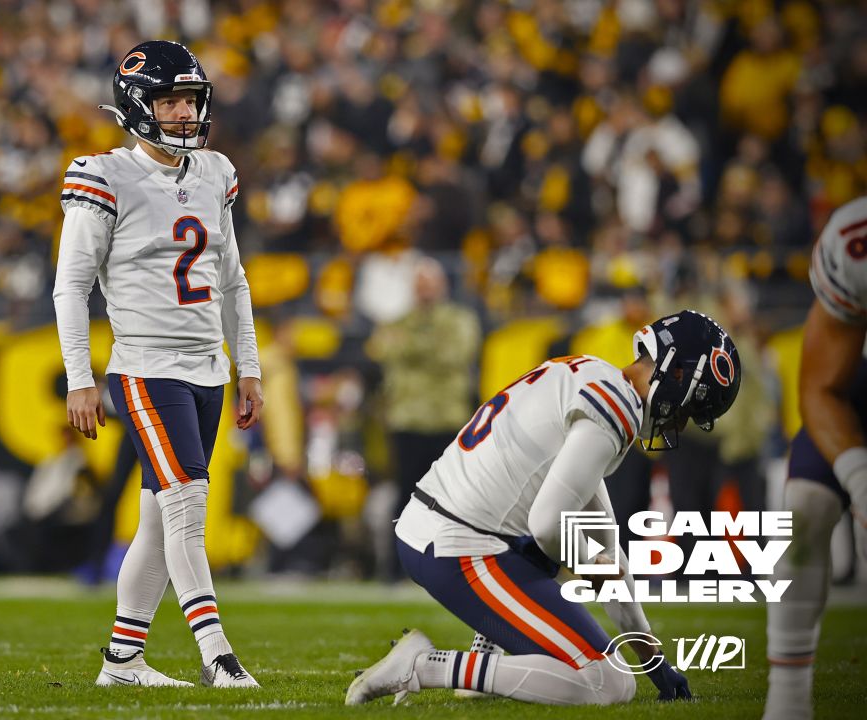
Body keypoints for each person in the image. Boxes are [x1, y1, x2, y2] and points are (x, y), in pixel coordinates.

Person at [346, 310, 741, 707]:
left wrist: (653, 659)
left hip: (439, 525)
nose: (682, 423)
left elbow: (607, 545)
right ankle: (424, 665)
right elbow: (550, 526)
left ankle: (486, 651)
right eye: (691, 409)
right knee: (609, 682)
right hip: (457, 545)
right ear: (677, 376)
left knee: (562, 557)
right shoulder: (614, 410)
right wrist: (591, 565)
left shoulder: (592, 373)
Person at [52, 41, 263, 688]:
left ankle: (122, 661)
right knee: (185, 503)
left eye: (190, 100)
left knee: (156, 514)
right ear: (139, 105)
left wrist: (246, 365)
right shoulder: (102, 174)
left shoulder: (215, 171)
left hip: (206, 368)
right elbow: (70, 285)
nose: (182, 113)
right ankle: (218, 654)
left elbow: (232, 280)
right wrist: (81, 378)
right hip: (145, 366)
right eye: (170, 100)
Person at [764, 197, 867, 720]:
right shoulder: (855, 244)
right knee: (802, 511)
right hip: (858, 390)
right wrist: (859, 475)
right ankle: (787, 702)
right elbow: (821, 388)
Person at [367, 257, 481, 580]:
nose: (426, 292)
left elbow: (456, 354)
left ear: (443, 286)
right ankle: (397, 568)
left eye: (430, 285)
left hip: (448, 420)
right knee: (404, 498)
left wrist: (409, 346)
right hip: (408, 421)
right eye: (421, 285)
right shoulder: (401, 322)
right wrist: (426, 347)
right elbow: (380, 349)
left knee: (454, 501)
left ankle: (453, 567)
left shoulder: (459, 320)